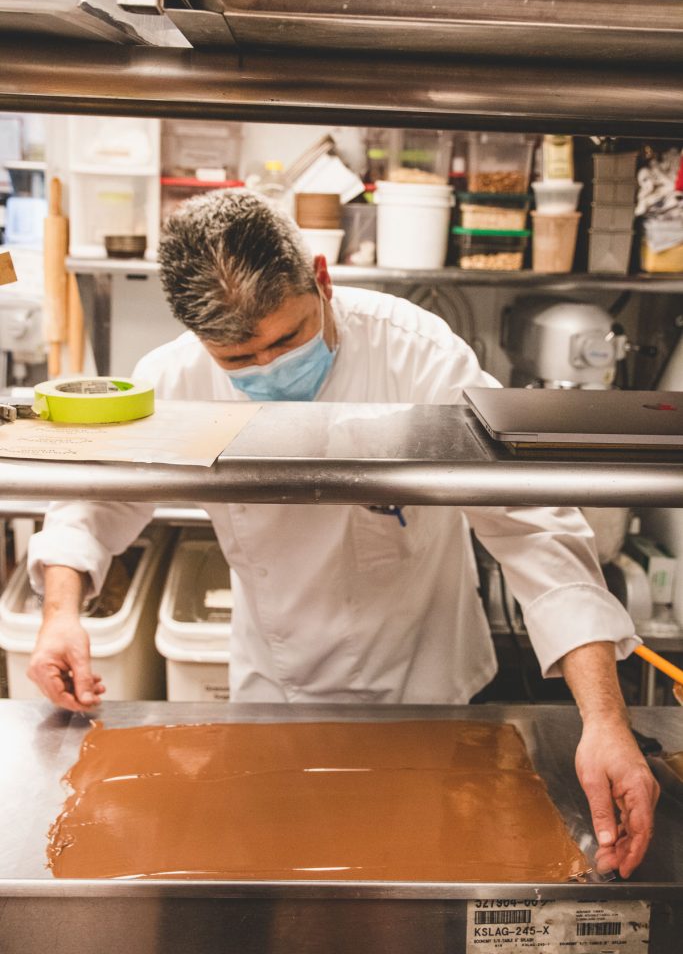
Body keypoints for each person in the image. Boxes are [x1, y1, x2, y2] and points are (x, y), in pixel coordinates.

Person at [27, 189, 658, 878]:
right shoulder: (173, 377)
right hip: (276, 693)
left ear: (321, 280)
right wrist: (60, 614)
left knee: (423, 868)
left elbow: (532, 527)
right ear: (199, 341)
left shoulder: (418, 354)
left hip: (430, 691)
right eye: (239, 361)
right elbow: (95, 501)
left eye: (287, 339)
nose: (269, 369)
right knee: (282, 876)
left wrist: (602, 718)